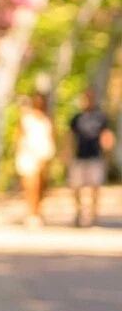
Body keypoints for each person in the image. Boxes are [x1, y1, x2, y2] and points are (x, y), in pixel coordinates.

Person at [65, 86, 115, 227]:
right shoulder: (76, 118)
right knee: (76, 186)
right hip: (79, 156)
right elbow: (69, 137)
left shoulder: (101, 117)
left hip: (95, 156)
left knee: (95, 187)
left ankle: (93, 215)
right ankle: (79, 212)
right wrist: (67, 153)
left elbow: (107, 136)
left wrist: (107, 152)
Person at [13, 92, 56, 227]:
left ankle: (37, 212)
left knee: (40, 187)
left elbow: (51, 137)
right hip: (28, 155)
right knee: (30, 185)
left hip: (42, 156)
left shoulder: (46, 120)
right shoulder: (26, 119)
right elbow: (19, 136)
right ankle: (31, 213)